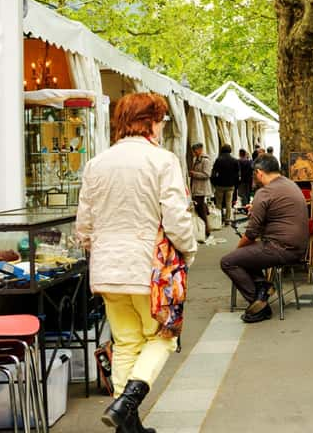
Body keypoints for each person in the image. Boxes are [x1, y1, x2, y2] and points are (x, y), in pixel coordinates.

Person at [76, 92, 196, 433]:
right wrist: (188, 251)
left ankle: (126, 426)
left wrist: (97, 248)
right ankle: (127, 401)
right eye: (160, 120)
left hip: (107, 269)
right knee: (163, 336)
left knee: (127, 341)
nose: (161, 127)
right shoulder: (162, 161)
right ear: (149, 122)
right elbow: (175, 217)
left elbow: (84, 224)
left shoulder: (97, 163)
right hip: (150, 269)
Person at [219, 154, 309, 323]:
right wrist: (256, 208)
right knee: (247, 256)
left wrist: (238, 250)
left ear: (259, 172)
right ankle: (262, 287)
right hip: (299, 248)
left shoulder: (265, 192)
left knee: (229, 261)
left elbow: (251, 233)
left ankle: (259, 303)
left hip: (280, 248)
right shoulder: (290, 184)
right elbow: (277, 210)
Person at [210, 144, 239, 227]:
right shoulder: (234, 160)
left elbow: (214, 173)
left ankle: (219, 220)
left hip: (219, 185)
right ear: (230, 150)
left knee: (218, 203)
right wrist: (235, 184)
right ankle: (227, 220)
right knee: (228, 203)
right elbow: (237, 174)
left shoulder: (218, 160)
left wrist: (214, 183)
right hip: (230, 185)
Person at [187, 143, 212, 234]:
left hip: (201, 188)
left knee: (200, 208)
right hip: (195, 187)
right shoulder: (195, 159)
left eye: (195, 150)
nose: (194, 153)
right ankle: (204, 227)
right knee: (200, 207)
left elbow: (207, 174)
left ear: (200, 150)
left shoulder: (205, 161)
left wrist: (194, 174)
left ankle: (206, 228)